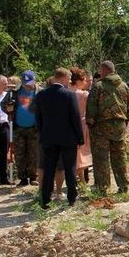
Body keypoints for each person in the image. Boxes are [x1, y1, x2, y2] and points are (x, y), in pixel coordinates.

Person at [32, 68, 83, 208]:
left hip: (48, 138)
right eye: (69, 78)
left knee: (49, 168)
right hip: (68, 138)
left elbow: (38, 118)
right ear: (63, 78)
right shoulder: (69, 95)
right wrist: (80, 138)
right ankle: (72, 198)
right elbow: (75, 118)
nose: (70, 81)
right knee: (70, 168)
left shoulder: (42, 95)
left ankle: (45, 199)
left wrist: (42, 134)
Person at [87, 60, 129, 195]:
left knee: (101, 158)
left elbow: (91, 108)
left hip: (101, 127)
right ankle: (123, 185)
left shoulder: (98, 86)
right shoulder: (124, 86)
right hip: (120, 126)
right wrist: (125, 122)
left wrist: (90, 123)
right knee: (119, 156)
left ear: (103, 70)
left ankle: (102, 187)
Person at [2, 70, 39, 186]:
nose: (28, 85)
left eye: (30, 82)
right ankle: (22, 177)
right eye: (25, 83)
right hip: (18, 128)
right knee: (19, 153)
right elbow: (3, 104)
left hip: (34, 128)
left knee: (34, 153)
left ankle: (33, 176)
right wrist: (8, 109)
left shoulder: (39, 93)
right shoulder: (14, 93)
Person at [70, 68, 93, 183]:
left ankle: (77, 180)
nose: (86, 82)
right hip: (82, 126)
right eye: (84, 80)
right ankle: (82, 181)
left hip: (69, 127)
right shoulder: (84, 94)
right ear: (79, 81)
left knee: (74, 155)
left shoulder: (67, 93)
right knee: (82, 156)